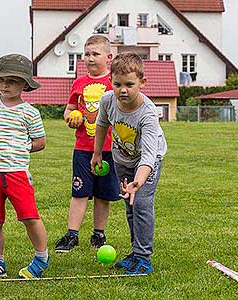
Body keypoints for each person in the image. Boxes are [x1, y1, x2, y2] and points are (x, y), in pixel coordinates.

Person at [0, 54, 49, 279]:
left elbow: (40, 142)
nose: (5, 85)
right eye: (1, 80)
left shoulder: (30, 113)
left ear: (24, 84)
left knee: (29, 216)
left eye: (12, 80)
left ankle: (42, 258)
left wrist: (22, 146)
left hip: (16, 173)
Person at [91, 52, 167, 274]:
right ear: (110, 82)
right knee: (131, 207)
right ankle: (136, 252)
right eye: (117, 84)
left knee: (141, 205)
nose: (123, 90)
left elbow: (148, 156)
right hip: (122, 159)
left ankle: (143, 259)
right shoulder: (107, 100)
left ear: (142, 82)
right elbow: (102, 125)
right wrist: (97, 153)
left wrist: (138, 182)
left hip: (147, 163)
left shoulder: (148, 114)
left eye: (129, 84)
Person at [55, 35, 121, 253]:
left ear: (109, 57)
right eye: (87, 54)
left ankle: (98, 234)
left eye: (96, 54)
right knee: (79, 192)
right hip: (83, 149)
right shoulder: (78, 83)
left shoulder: (115, 82)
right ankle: (72, 235)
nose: (90, 58)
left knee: (103, 195)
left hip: (109, 150)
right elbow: (69, 109)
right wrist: (70, 118)